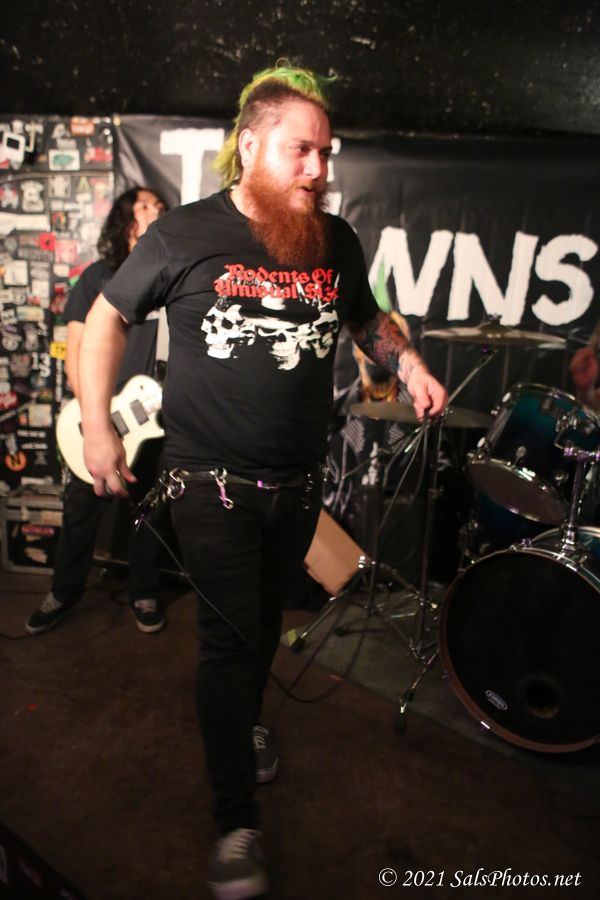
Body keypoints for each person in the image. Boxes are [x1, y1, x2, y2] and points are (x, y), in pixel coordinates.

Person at [77, 64, 448, 899]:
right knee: (228, 638)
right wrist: (98, 426)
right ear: (250, 146)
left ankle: (242, 726)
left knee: (265, 624)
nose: (318, 168)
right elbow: (104, 320)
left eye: (325, 153)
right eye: (300, 151)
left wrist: (410, 364)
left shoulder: (332, 239)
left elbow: (367, 318)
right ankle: (235, 822)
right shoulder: (183, 235)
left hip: (297, 483)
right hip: (208, 482)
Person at [26, 186, 168, 636]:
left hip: (156, 419)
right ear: (125, 219)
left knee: (150, 512)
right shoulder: (97, 278)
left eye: (160, 207)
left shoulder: (171, 282)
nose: (156, 211)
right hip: (102, 418)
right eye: (145, 206)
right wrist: (97, 420)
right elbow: (75, 354)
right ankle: (64, 591)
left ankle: (144, 591)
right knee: (80, 512)